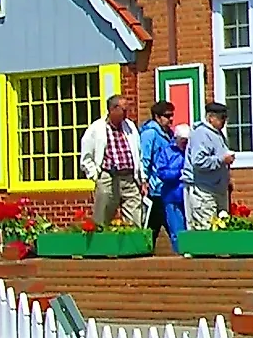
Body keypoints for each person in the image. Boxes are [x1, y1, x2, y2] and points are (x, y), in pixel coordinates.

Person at [79, 92, 144, 234]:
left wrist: (141, 178)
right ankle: (99, 244)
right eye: (123, 110)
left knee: (135, 214)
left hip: (129, 177)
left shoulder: (130, 127)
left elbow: (138, 153)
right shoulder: (96, 128)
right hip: (108, 176)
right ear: (112, 109)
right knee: (103, 214)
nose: (126, 114)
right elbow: (86, 156)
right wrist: (94, 175)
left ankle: (133, 245)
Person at [140, 99, 188, 251]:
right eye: (167, 116)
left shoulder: (169, 134)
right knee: (154, 225)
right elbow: (145, 159)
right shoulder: (150, 134)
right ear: (157, 116)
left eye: (172, 115)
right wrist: (144, 181)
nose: (171, 119)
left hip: (167, 189)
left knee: (167, 224)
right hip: (155, 188)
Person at [184, 100, 234, 231]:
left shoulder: (218, 134)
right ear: (210, 117)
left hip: (218, 189)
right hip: (204, 191)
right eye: (221, 118)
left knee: (222, 227)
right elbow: (198, 161)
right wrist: (221, 160)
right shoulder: (201, 133)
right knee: (206, 229)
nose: (224, 121)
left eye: (225, 118)